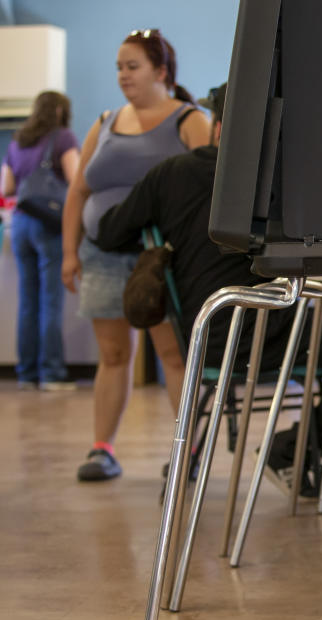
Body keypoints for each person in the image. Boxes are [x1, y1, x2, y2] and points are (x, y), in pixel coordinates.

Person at [94, 83, 322, 496]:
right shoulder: (276, 184)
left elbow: (109, 232)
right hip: (256, 328)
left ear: (219, 128)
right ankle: (290, 450)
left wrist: (163, 244)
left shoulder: (170, 174)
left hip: (210, 331)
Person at [61, 29, 210, 482]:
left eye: (133, 66)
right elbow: (78, 190)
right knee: (112, 354)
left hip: (161, 256)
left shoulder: (189, 120)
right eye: (119, 68)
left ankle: (187, 451)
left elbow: (209, 188)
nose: (124, 75)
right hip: (104, 252)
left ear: (161, 71)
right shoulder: (105, 121)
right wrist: (70, 252)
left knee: (172, 353)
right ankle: (102, 448)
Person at [1, 91, 79, 390]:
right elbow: (76, 180)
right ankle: (52, 373)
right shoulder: (63, 137)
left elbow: (7, 187)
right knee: (50, 301)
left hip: (20, 223)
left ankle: (26, 373)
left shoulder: (18, 140)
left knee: (27, 302)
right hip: (49, 223)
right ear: (60, 110)